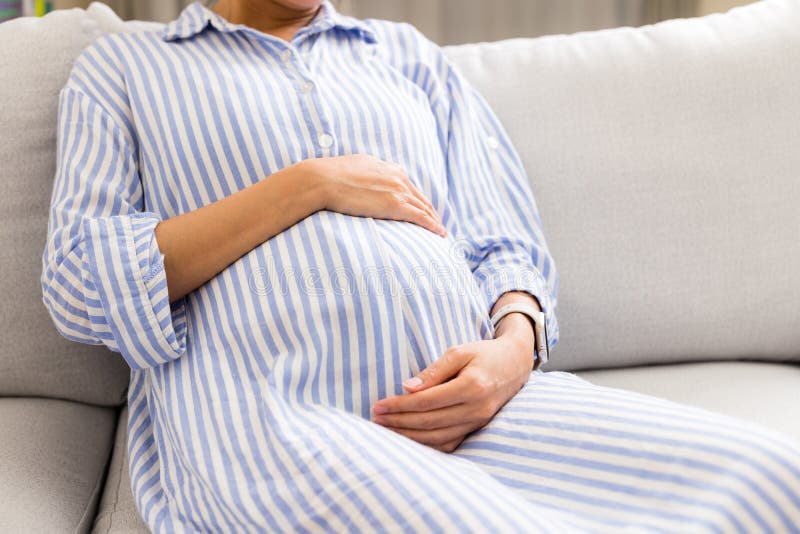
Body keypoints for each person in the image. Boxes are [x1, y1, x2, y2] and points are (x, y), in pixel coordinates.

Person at [41, 0, 800, 531]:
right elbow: (80, 278)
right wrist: (307, 185)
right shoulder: (127, 68)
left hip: (483, 405)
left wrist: (512, 350)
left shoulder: (404, 57)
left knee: (772, 481)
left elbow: (503, 237)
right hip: (281, 414)